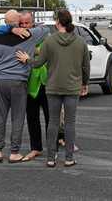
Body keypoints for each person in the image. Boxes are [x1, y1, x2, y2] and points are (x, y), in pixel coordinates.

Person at [16, 9, 90, 167]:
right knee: (70, 123)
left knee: (53, 123)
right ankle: (69, 158)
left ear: (57, 22)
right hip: (72, 87)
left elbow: (38, 63)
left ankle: (51, 158)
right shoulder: (80, 41)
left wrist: (27, 59)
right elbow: (85, 66)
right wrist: (85, 83)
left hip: (53, 87)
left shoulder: (49, 41)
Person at [0, 10, 49, 163]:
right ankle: (14, 153)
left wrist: (0, 68)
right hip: (18, 81)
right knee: (17, 118)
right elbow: (46, 29)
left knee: (0, 117)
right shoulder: (29, 35)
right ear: (18, 21)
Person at [19, 11, 49, 162]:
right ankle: (35, 148)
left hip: (46, 82)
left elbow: (48, 53)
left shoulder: (43, 35)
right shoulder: (17, 38)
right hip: (29, 83)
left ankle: (54, 145)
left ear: (33, 23)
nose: (24, 26)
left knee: (52, 118)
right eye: (21, 24)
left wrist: (34, 52)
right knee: (32, 118)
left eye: (27, 23)